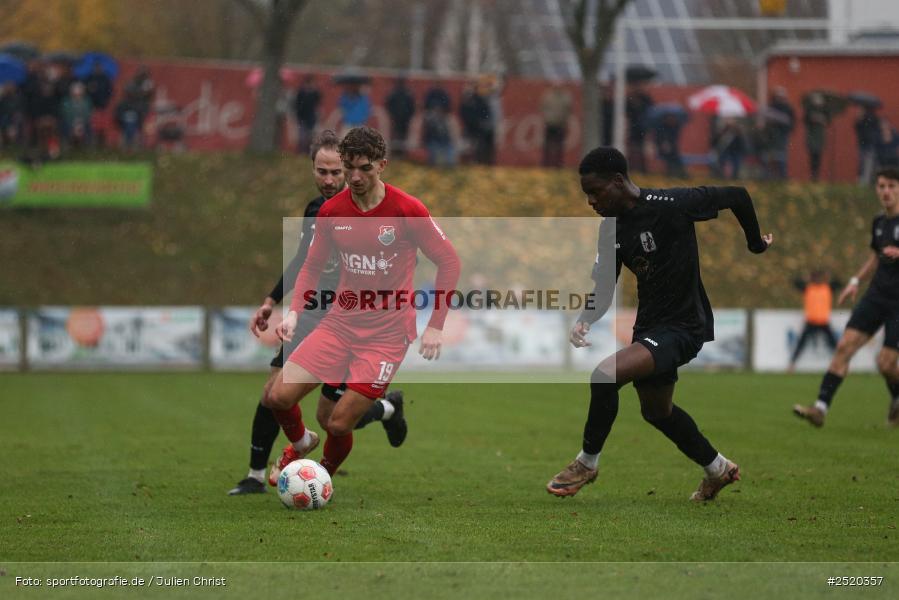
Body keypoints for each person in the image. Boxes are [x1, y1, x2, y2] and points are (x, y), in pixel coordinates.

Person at [546, 146, 772, 501]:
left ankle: (586, 463)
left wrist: (755, 243)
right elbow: (605, 285)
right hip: (650, 327)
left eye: (595, 191)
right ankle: (718, 469)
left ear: (618, 181)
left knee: (605, 375)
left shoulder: (672, 204)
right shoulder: (611, 230)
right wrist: (585, 318)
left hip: (684, 325)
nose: (590, 201)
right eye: (586, 194)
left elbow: (738, 196)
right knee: (657, 411)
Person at [262, 126, 461, 478]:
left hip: (386, 337)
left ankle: (319, 476)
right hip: (339, 325)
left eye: (364, 168)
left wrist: (435, 326)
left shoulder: (406, 209)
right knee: (277, 398)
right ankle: (303, 441)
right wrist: (293, 312)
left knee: (337, 423)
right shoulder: (331, 212)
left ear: (382, 165)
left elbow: (449, 262)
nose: (354, 177)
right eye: (349, 167)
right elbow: (311, 264)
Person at [228, 130, 409, 495]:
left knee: (333, 418)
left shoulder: (375, 211)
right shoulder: (318, 211)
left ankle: (387, 410)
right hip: (313, 314)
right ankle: (255, 474)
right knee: (274, 393)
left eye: (335, 173)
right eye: (321, 171)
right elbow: (303, 262)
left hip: (346, 320)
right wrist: (272, 300)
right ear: (313, 169)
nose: (329, 180)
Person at [793, 168, 899, 428]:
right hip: (876, 295)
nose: (885, 191)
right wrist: (854, 281)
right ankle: (820, 408)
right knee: (844, 346)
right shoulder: (879, 222)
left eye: (891, 186)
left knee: (885, 363)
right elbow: (876, 257)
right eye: (881, 186)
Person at [787, 270, 840, 372]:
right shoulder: (809, 288)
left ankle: (840, 364)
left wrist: (829, 276)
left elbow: (839, 283)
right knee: (801, 344)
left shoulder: (827, 288)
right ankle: (792, 365)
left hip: (823, 321)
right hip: (811, 321)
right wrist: (805, 277)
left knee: (833, 344)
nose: (818, 280)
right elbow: (795, 282)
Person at [540, 83, 572, 168]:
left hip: (559, 124)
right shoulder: (549, 95)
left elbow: (568, 110)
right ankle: (547, 164)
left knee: (558, 146)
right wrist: (548, 118)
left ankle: (557, 164)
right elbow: (543, 108)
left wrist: (563, 119)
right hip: (551, 124)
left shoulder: (564, 96)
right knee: (549, 146)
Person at [385, 77, 416, 157]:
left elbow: (412, 107)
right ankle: (395, 153)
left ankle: (401, 154)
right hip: (396, 118)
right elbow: (388, 105)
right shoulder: (394, 93)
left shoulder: (407, 94)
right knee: (396, 136)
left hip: (404, 119)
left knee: (402, 137)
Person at [804, 93, 829, 182]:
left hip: (820, 137)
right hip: (812, 137)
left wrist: (822, 119)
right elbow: (806, 120)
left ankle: (816, 175)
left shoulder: (824, 111)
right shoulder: (809, 110)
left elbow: (828, 121)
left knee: (818, 157)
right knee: (812, 156)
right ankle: (813, 175)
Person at [293, 75, 321, 155]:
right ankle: (301, 152)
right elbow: (297, 105)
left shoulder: (316, 93)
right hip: (302, 117)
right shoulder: (301, 92)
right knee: (302, 137)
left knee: (311, 136)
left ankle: (309, 152)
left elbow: (318, 105)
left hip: (312, 118)